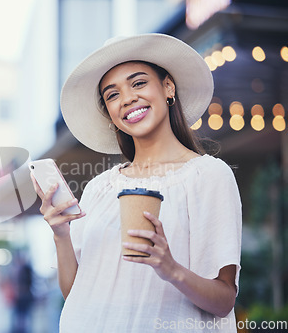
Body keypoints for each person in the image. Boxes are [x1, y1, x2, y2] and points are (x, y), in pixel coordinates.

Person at [30, 33, 242, 332]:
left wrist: (170, 268)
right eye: (112, 94)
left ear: (168, 87)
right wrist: (61, 234)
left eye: (139, 83)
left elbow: (223, 301)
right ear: (111, 115)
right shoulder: (98, 189)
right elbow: (76, 295)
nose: (128, 98)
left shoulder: (208, 176)